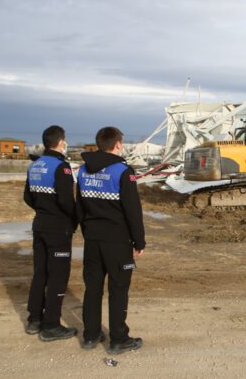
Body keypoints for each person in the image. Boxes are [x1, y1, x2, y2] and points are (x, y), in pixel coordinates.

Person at [77, 127, 145, 354]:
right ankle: (119, 339)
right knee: (118, 289)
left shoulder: (83, 171)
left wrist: (88, 233)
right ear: (117, 144)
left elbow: (80, 207)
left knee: (92, 288)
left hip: (93, 240)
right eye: (122, 143)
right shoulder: (123, 172)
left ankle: (90, 335)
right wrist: (139, 242)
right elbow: (133, 211)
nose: (122, 146)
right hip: (117, 242)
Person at [23, 125, 78, 341]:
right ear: (61, 142)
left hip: (40, 225)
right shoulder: (61, 167)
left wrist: (42, 209)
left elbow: (27, 197)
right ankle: (51, 325)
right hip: (58, 229)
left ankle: (34, 320)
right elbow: (67, 201)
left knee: (40, 273)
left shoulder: (35, 165)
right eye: (64, 141)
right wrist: (74, 221)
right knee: (58, 276)